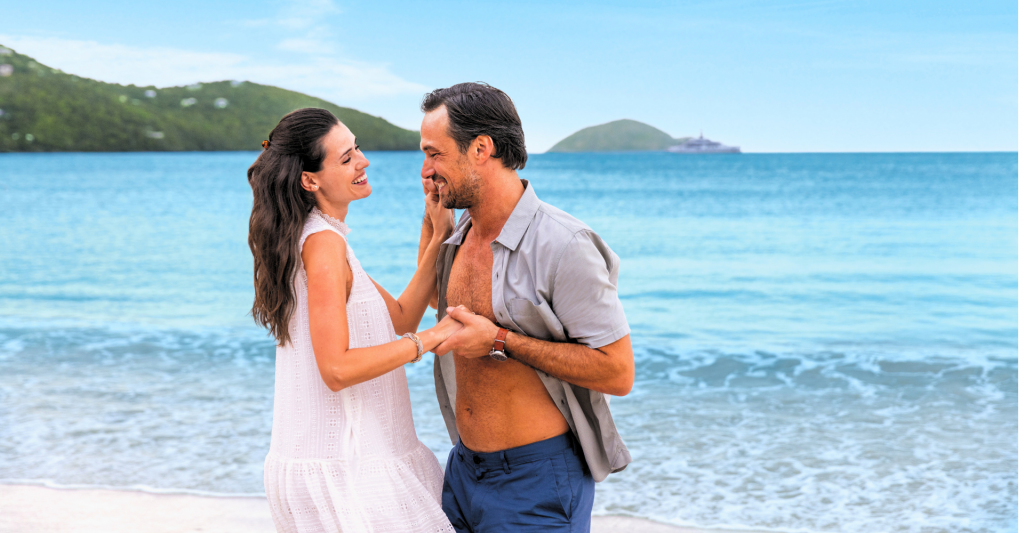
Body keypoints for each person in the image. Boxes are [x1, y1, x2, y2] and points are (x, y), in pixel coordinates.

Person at [420, 83, 635, 532]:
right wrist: (433, 229)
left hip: (535, 481)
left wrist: (501, 341)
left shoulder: (564, 244)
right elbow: (440, 315)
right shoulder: (458, 237)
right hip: (462, 471)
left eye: (435, 154)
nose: (426, 170)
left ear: (481, 149)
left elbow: (617, 372)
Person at [247, 107, 459, 533]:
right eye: (346, 158)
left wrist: (437, 233)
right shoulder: (323, 245)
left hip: (344, 462)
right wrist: (432, 339)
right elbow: (337, 369)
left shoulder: (319, 239)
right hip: (348, 468)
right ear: (310, 180)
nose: (364, 161)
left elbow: (400, 318)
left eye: (357, 148)